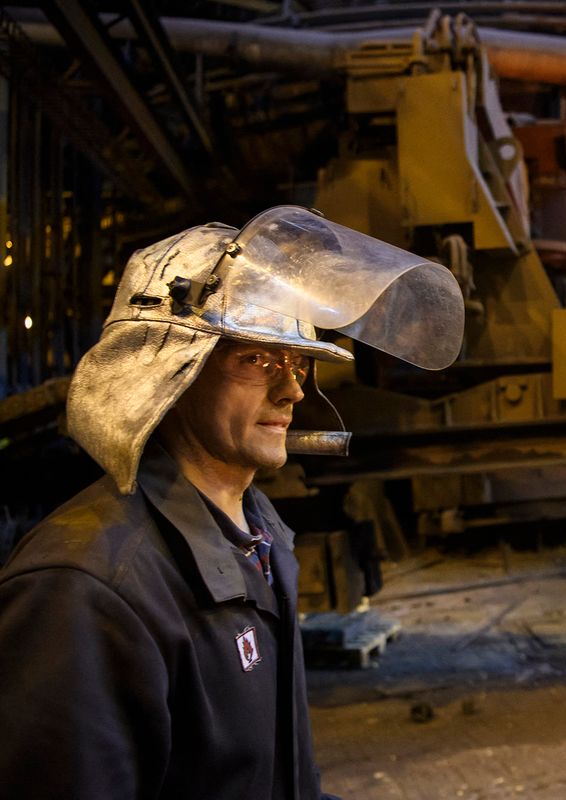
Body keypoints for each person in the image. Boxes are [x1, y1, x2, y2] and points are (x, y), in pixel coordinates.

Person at [0, 207, 463, 799]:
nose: (293, 388)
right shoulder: (85, 590)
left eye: (297, 362)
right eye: (255, 359)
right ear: (171, 369)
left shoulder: (259, 533)